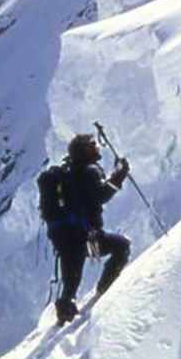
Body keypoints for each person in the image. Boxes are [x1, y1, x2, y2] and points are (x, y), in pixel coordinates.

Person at [38, 132, 132, 324]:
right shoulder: (89, 171)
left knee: (70, 283)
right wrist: (120, 175)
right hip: (84, 236)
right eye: (93, 145)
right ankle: (105, 290)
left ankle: (65, 316)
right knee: (121, 246)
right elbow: (100, 195)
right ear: (85, 150)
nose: (97, 147)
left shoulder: (69, 172)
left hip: (65, 237)